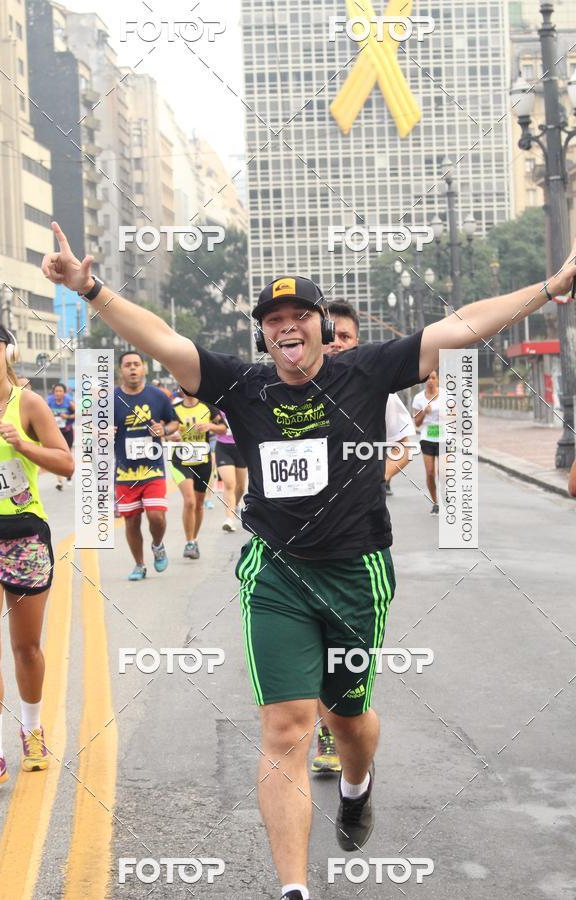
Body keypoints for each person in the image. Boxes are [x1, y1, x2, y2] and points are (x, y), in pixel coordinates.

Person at [42, 222, 576, 900]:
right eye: (273, 319)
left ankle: (357, 783)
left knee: (346, 719)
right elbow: (162, 340)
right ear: (263, 334)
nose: (286, 326)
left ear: (322, 326)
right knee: (285, 728)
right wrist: (89, 288)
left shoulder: (367, 370)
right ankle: (293, 889)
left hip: (355, 573)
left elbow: (462, 326)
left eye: (299, 316)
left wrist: (549, 287)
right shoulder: (240, 385)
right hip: (277, 574)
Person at [311, 300, 416, 776]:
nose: (336, 344)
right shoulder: (288, 388)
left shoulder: (373, 389)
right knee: (310, 647)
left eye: (346, 337)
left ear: (356, 343)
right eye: (330, 335)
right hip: (299, 550)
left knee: (346, 658)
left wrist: (375, 477)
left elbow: (404, 443)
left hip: (358, 547)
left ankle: (345, 728)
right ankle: (326, 732)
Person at [0, 320, 74, 794]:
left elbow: (67, 463)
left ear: (8, 354)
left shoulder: (29, 404)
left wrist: (23, 444)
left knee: (26, 648)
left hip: (26, 540)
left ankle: (32, 730)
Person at [114, 350, 179, 581]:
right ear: (120, 370)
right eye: (127, 365)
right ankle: (139, 564)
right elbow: (92, 427)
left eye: (136, 364)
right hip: (125, 472)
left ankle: (158, 544)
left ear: (144, 368)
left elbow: (174, 423)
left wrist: (164, 430)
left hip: (153, 469)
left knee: (156, 516)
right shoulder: (110, 399)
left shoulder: (158, 396)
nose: (132, 368)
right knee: (131, 521)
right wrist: (101, 431)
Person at [169, 395, 226, 558]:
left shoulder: (207, 407)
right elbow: (163, 431)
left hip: (202, 461)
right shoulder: (174, 409)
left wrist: (210, 426)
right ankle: (189, 542)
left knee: (199, 504)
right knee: (190, 501)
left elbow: (223, 428)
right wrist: (170, 436)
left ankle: (194, 539)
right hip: (180, 460)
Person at [412, 370, 440, 515]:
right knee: (430, 473)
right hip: (427, 437)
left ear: (438, 379)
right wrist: (423, 412)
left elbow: (456, 416)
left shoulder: (446, 395)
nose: (430, 381)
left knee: (444, 473)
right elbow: (417, 423)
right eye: (428, 378)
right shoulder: (418, 398)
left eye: (433, 378)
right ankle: (435, 502)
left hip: (445, 437)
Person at [215, 409, 248, 533]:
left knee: (241, 487)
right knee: (229, 484)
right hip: (223, 447)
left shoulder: (242, 403)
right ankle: (229, 519)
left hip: (241, 447)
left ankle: (235, 504)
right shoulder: (216, 404)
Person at [47, 383, 75, 491]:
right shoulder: (49, 401)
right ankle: (59, 481)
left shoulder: (69, 401)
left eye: (60, 391)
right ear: (53, 393)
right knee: (56, 455)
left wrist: (67, 416)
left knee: (67, 454)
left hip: (67, 431)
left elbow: (79, 414)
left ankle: (68, 474)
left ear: (64, 393)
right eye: (56, 391)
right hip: (55, 432)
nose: (58, 393)